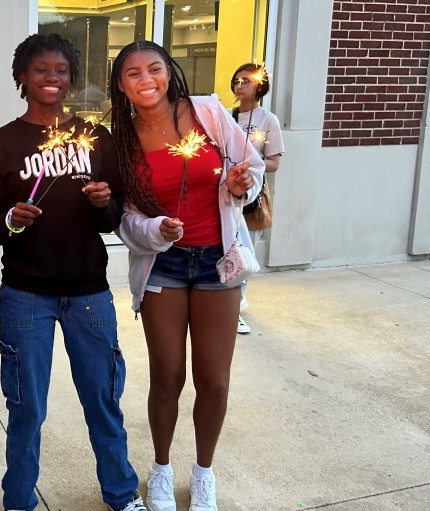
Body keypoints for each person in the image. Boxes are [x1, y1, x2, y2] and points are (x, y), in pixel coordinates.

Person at [0, 33, 145, 511]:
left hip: (89, 291)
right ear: (21, 77)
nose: (51, 78)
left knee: (103, 402)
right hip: (26, 294)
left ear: (71, 77)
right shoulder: (1, 145)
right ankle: (18, 500)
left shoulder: (97, 139)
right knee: (27, 407)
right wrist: (10, 219)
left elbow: (112, 218)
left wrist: (102, 204)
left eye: (60, 70)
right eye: (40, 70)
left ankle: (120, 493)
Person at [109, 41, 263, 511]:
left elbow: (249, 169)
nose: (146, 79)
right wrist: (157, 228)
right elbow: (126, 219)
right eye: (132, 73)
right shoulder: (121, 140)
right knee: (167, 376)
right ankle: (160, 468)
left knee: (213, 379)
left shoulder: (208, 114)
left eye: (153, 68)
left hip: (218, 262)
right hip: (166, 265)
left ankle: (203, 473)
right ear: (121, 85)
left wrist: (241, 184)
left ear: (168, 72)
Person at [230, 63, 284, 335]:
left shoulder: (267, 120)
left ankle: (237, 306)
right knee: (229, 250)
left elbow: (274, 162)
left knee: (245, 254)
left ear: (259, 86)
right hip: (228, 197)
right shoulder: (227, 116)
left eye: (246, 81)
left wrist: (251, 163)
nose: (240, 86)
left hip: (252, 199)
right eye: (237, 81)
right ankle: (233, 303)